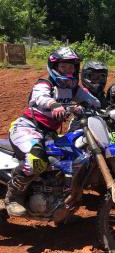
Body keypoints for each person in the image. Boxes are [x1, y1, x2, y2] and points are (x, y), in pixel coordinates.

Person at [6, 47, 101, 217]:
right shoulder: (45, 83)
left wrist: (100, 108)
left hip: (49, 133)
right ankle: (13, 197)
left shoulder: (73, 88)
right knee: (37, 159)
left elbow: (92, 100)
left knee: (74, 158)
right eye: (64, 66)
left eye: (71, 67)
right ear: (55, 66)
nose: (68, 70)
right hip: (28, 128)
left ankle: (59, 205)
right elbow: (41, 97)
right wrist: (54, 104)